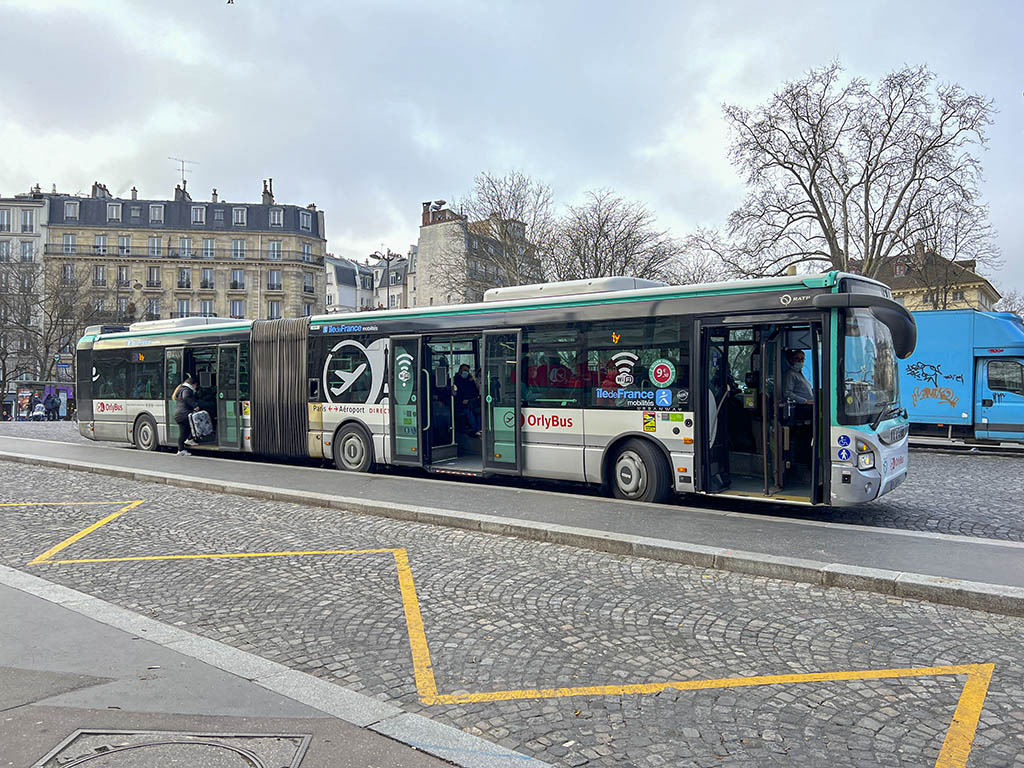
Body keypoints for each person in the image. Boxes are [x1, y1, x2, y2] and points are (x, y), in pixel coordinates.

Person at [172, 373, 200, 456]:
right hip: (184, 415)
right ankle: (187, 442)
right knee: (194, 426)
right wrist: (195, 406)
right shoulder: (187, 390)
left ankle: (182, 448)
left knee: (184, 432)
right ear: (193, 384)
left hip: (179, 414)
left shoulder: (181, 389)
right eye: (196, 386)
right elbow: (186, 397)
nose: (196, 388)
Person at [453, 363, 481, 437]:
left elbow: (475, 392)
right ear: (460, 370)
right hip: (460, 405)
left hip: (471, 402)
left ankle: (479, 429)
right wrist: (463, 400)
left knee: (479, 412)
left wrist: (470, 399)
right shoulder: (455, 380)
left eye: (467, 371)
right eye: (465, 370)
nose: (466, 372)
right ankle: (475, 430)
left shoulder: (470, 380)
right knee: (469, 413)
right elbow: (455, 394)